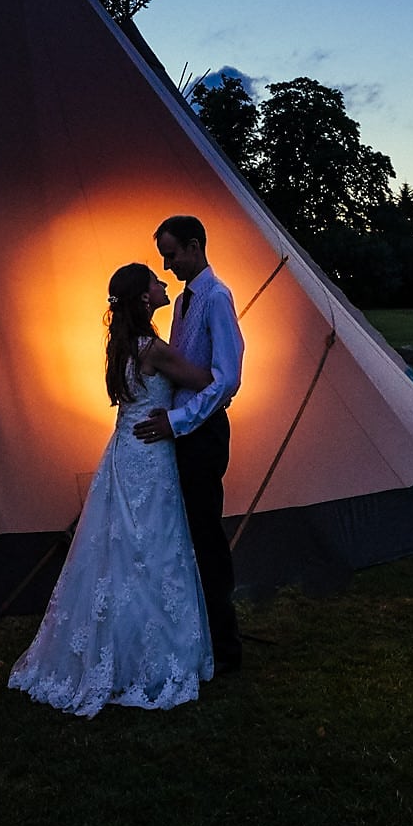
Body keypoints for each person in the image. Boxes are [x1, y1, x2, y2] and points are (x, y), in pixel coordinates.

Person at [7, 263, 215, 715]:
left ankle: (114, 648)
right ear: (144, 298)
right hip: (152, 453)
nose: (163, 286)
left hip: (122, 453)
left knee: (117, 553)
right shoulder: (153, 349)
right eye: (156, 284)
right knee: (154, 549)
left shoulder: (120, 346)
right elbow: (202, 379)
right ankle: (147, 656)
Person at [132, 214, 245, 671]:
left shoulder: (217, 298)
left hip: (203, 433)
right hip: (179, 432)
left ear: (195, 246)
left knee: (205, 533)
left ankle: (226, 645)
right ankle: (193, 634)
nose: (168, 264)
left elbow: (226, 380)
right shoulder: (181, 302)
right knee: (184, 533)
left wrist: (178, 421)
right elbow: (180, 370)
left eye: (172, 254)